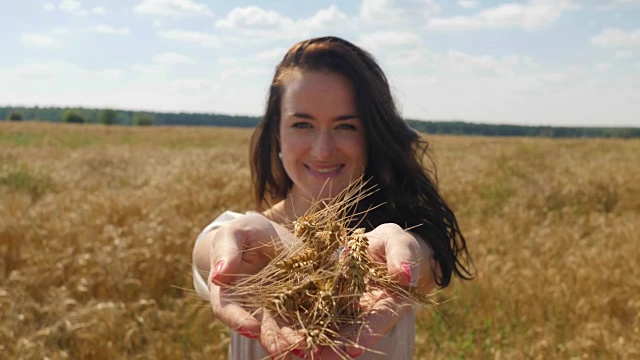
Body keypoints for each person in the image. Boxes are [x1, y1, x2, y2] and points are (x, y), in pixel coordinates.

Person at [192, 36, 474, 359]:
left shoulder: (389, 244)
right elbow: (209, 247)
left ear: (371, 136)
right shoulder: (248, 238)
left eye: (346, 127)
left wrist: (407, 261)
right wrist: (224, 255)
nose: (323, 150)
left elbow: (425, 262)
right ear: (277, 133)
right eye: (302, 124)